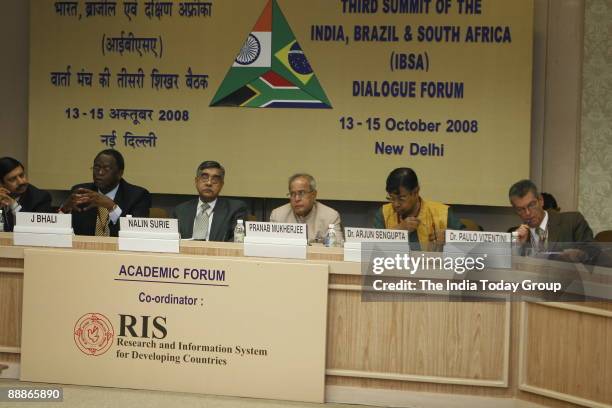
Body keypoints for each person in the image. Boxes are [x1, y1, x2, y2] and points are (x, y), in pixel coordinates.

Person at [61, 149, 151, 236]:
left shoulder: (138, 196)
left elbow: (136, 233)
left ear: (120, 173)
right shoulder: (81, 193)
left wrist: (112, 208)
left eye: (106, 169)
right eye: (96, 167)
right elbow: (60, 230)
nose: (99, 172)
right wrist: (65, 209)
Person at [373, 168, 464, 250]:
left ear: (416, 192)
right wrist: (398, 232)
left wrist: (452, 237)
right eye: (392, 198)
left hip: (434, 267)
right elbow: (372, 250)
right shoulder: (383, 214)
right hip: (393, 267)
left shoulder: (442, 213)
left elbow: (471, 242)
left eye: (401, 198)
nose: (396, 204)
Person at [508, 179, 593, 261]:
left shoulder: (573, 222)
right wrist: (516, 247)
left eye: (531, 205)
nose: (527, 213)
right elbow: (504, 270)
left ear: (541, 200)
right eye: (520, 209)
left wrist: (581, 255)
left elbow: (595, 256)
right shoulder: (514, 234)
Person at [172, 161, 247, 241]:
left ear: (221, 184)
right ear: (196, 181)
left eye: (215, 179)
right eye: (204, 178)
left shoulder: (234, 209)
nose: (209, 183)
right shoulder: (180, 210)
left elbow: (237, 240)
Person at [269, 173, 342, 243]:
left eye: (302, 193)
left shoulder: (330, 217)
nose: (297, 199)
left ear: (314, 195)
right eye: (292, 194)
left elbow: (338, 248)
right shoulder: (278, 216)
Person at [0, 157, 52, 231]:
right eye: (12, 179)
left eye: (21, 175)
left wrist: (13, 205)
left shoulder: (41, 198)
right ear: (1, 184)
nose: (21, 182)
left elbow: (37, 230)